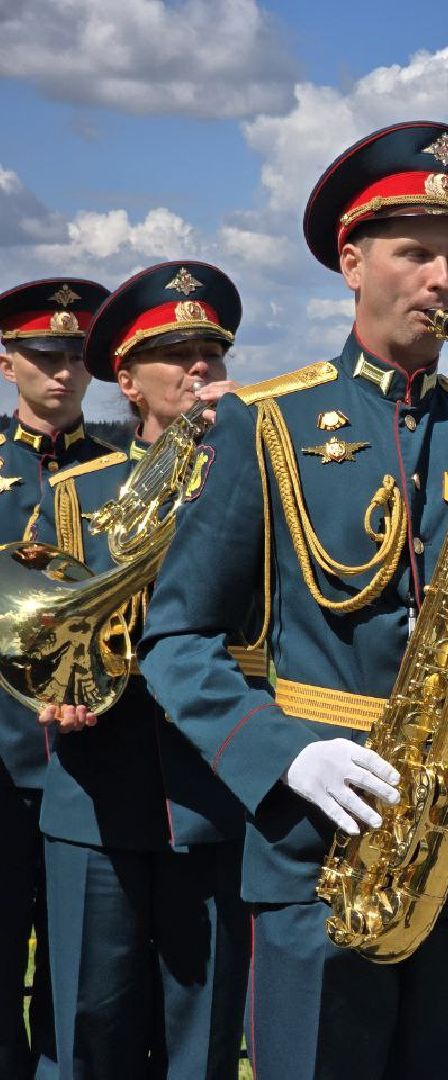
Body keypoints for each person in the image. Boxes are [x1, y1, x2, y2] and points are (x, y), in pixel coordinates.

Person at [136, 121, 448, 1079]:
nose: (442, 281)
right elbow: (176, 637)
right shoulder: (265, 424)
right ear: (351, 261)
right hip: (322, 843)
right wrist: (281, 759)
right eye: (416, 254)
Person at [32, 261, 252, 1078]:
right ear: (124, 378)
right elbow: (42, 624)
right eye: (174, 352)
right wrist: (56, 688)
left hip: (213, 790)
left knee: (204, 1036)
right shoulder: (77, 494)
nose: (199, 367)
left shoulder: (257, 480)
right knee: (93, 1024)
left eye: (211, 351)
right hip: (97, 794)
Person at [0, 277, 110, 1079]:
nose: (63, 372)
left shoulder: (119, 472)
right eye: (44, 356)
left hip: (94, 761)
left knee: (85, 975)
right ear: (8, 363)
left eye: (76, 356)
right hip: (1, 757)